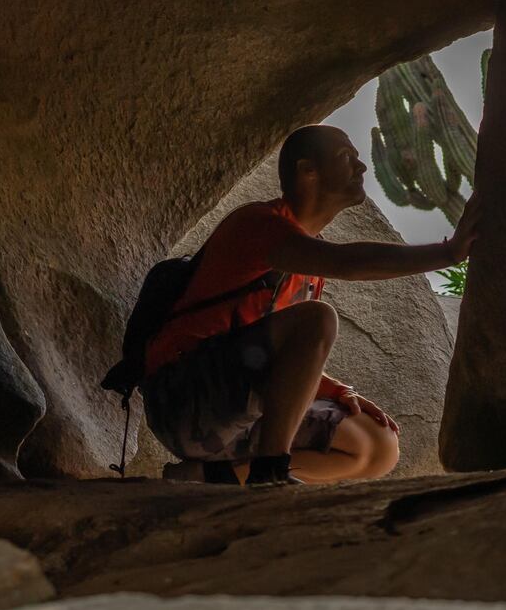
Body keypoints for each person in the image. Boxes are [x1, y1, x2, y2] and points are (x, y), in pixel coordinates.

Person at [141, 124, 481, 486]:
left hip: (237, 412)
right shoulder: (258, 224)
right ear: (308, 172)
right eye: (346, 158)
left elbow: (273, 356)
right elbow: (348, 263)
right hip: (182, 399)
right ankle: (270, 473)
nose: (362, 167)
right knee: (317, 319)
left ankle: (208, 477)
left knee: (379, 445)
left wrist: (336, 391)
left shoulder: (307, 264)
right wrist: (447, 252)